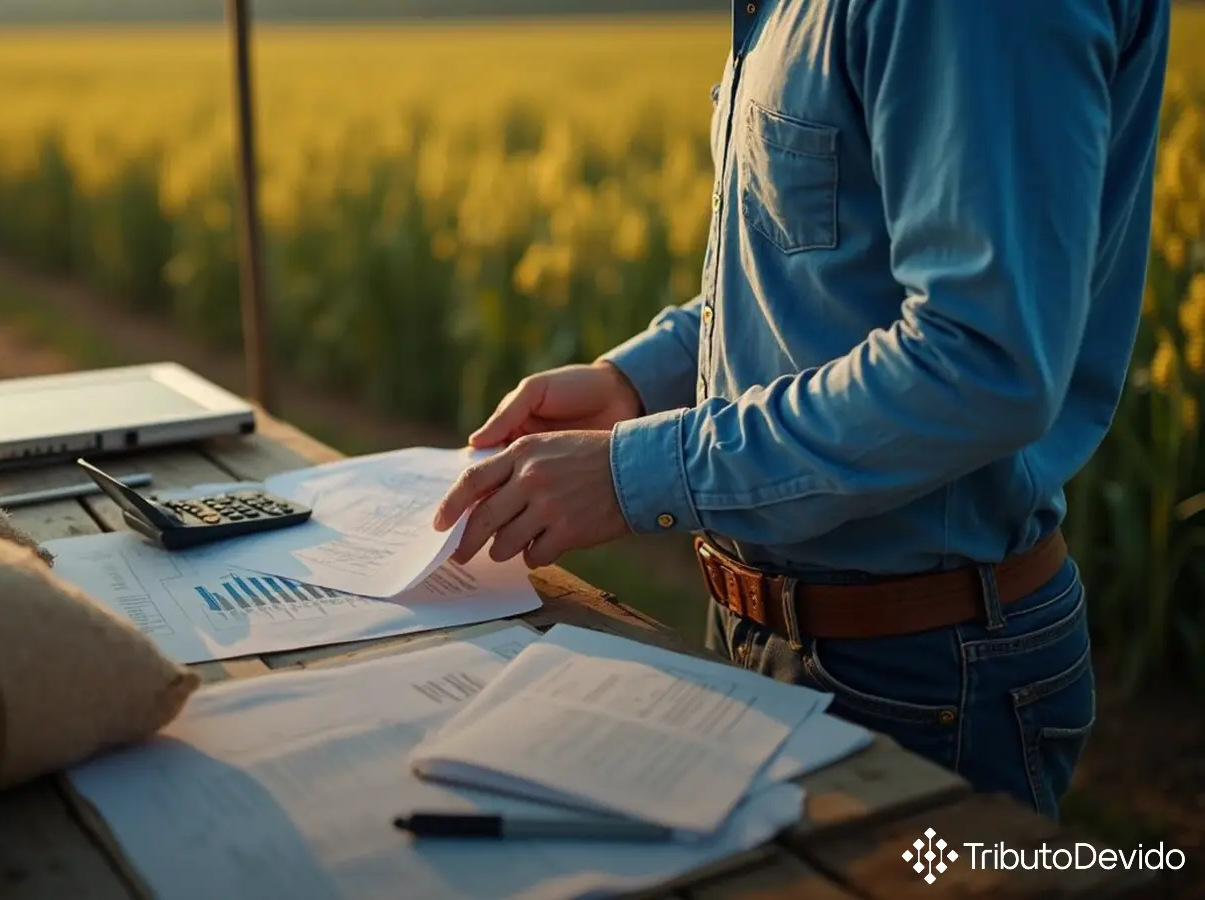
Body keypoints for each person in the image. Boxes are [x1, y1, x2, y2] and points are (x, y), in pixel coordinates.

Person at [432, 0, 1171, 822]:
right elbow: (821, 266)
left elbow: (981, 360)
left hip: (924, 668)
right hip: (780, 636)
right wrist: (639, 382)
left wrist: (632, 474)